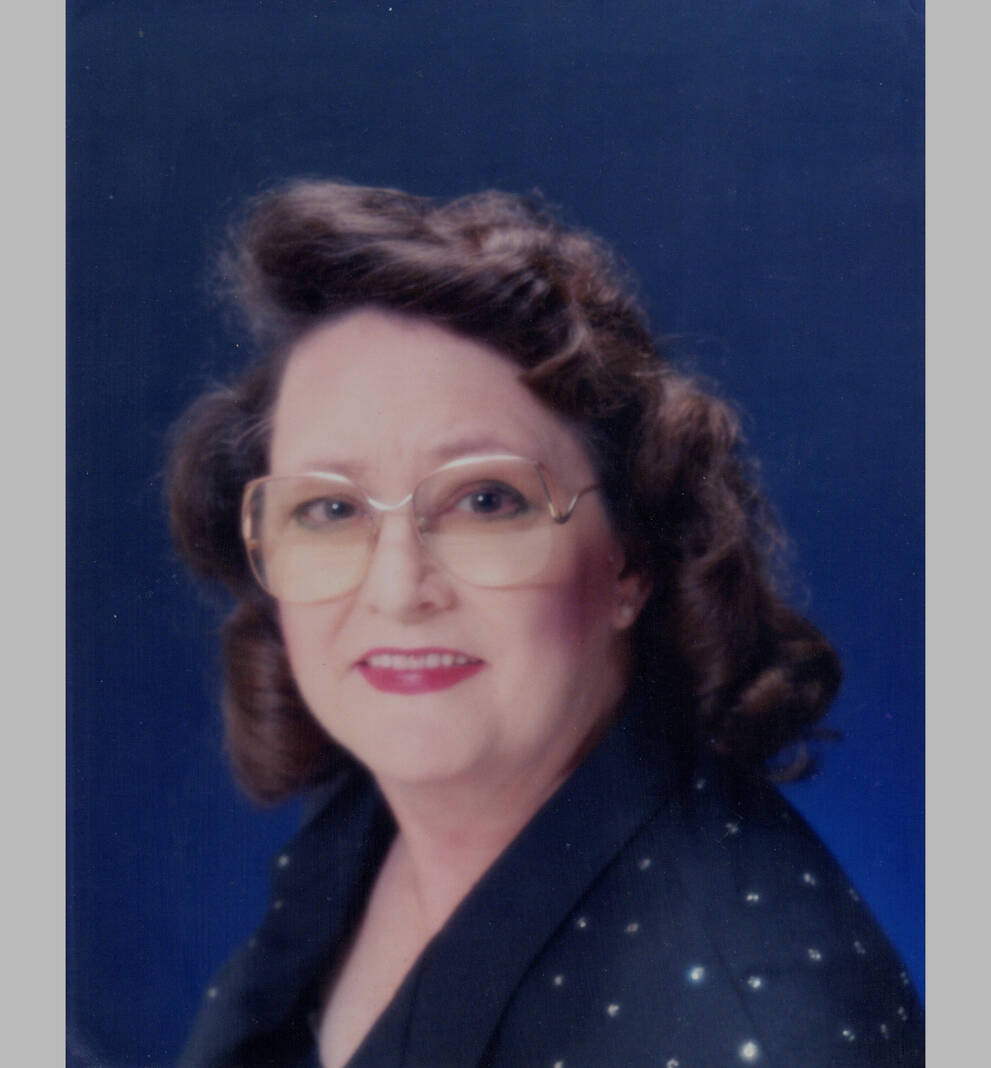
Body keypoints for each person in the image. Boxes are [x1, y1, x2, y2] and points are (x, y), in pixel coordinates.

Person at [168, 181, 923, 1067]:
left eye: (486, 501)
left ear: (630, 560)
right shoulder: (362, 822)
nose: (397, 588)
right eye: (329, 510)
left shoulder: (767, 1031)